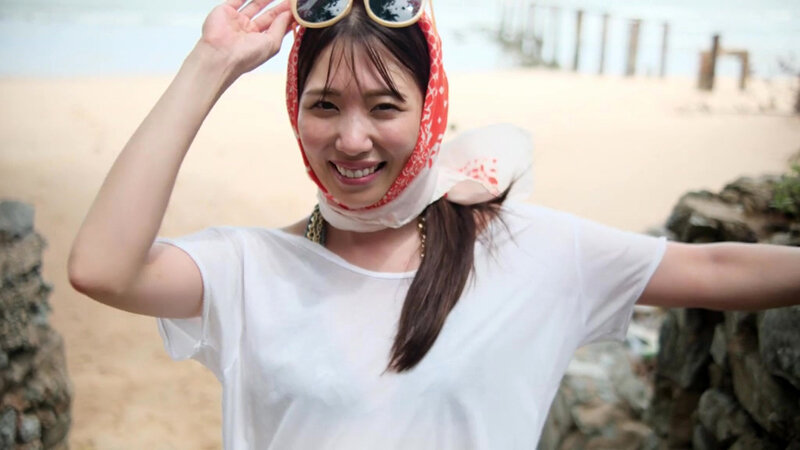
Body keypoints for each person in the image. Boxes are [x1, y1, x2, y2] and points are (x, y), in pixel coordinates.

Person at [67, 0, 800, 448]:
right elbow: (102, 268)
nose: (352, 139)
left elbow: (714, 268)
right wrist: (212, 62)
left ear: (431, 109)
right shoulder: (251, 269)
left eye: (385, 106)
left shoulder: (530, 250)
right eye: (324, 105)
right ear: (295, 112)